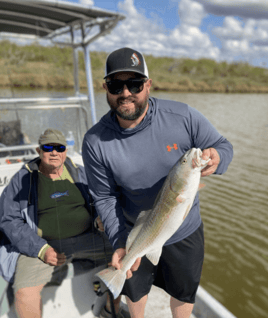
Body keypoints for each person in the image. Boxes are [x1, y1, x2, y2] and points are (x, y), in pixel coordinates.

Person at [82, 47, 234, 318]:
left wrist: (217, 157)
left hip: (185, 231)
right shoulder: (95, 141)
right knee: (136, 291)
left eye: (135, 84)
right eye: (116, 85)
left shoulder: (183, 116)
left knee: (184, 293)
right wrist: (119, 241)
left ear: (148, 85)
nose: (126, 92)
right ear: (105, 87)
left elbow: (223, 146)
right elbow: (104, 197)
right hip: (135, 230)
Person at [0, 128, 129, 318]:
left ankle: (110, 309)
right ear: (39, 151)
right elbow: (9, 220)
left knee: (125, 257)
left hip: (88, 239)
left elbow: (101, 203)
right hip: (42, 246)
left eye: (59, 147)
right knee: (24, 292)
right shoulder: (23, 179)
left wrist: (98, 221)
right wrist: (41, 249)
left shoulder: (80, 173)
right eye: (48, 147)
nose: (54, 152)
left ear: (66, 151)